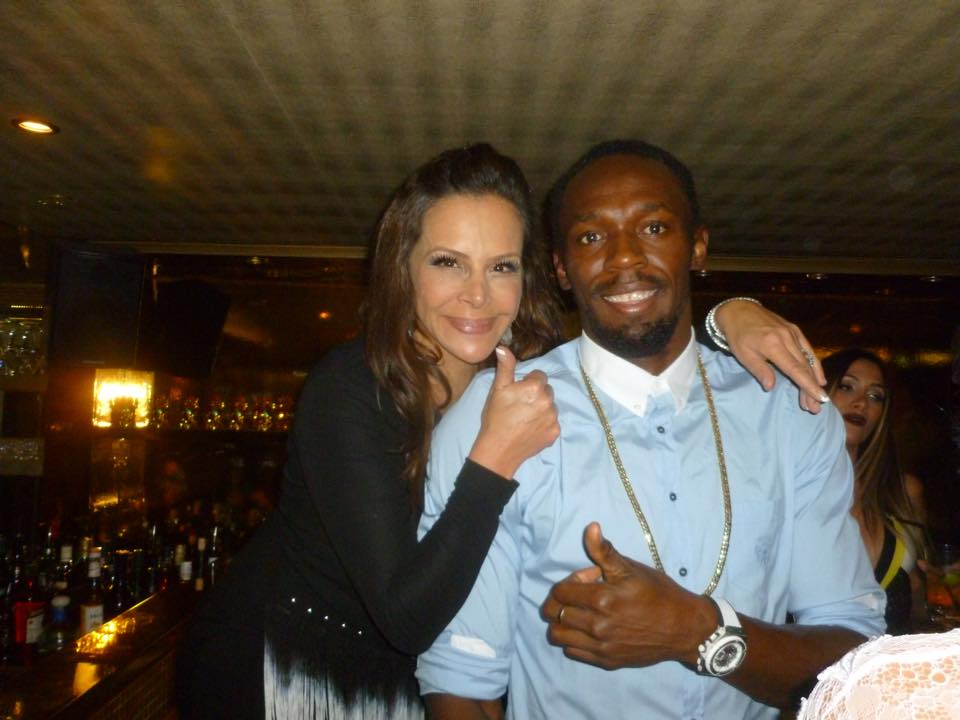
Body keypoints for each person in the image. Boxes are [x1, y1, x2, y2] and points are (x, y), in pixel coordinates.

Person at [177, 143, 830, 720]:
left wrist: (727, 317)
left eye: (501, 266)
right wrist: (492, 460)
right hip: (285, 661)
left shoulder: (517, 368)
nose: (477, 295)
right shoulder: (351, 388)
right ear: (403, 268)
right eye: (447, 262)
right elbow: (406, 617)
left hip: (401, 677)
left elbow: (640, 326)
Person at [417, 140, 886, 720]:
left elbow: (855, 656)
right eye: (591, 236)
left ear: (698, 246)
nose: (623, 258)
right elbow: (462, 680)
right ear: (561, 268)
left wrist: (697, 631)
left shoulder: (792, 412)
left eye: (654, 228)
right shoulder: (496, 416)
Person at [823, 348, 928, 634]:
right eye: (847, 387)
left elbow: (920, 610)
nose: (861, 403)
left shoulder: (903, 494)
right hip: (808, 661)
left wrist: (934, 588)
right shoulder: (786, 491)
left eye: (875, 396)